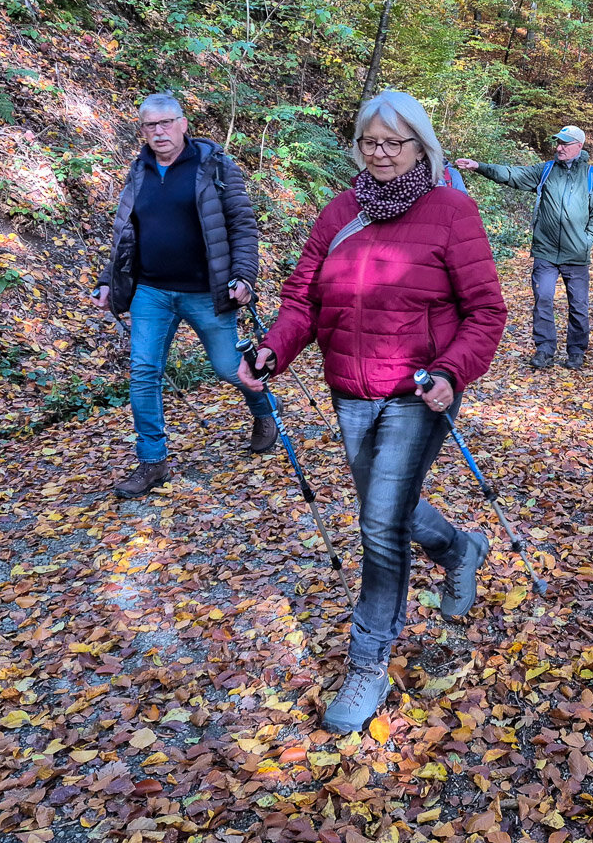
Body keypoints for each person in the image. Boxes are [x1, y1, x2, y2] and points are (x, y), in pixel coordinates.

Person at [240, 91, 507, 734]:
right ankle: (461, 549)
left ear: (421, 145)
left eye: (395, 142)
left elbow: (486, 312)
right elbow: (302, 299)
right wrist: (275, 348)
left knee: (379, 524)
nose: (381, 153)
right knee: (390, 509)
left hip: (419, 390)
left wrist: (451, 371)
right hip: (350, 388)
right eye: (370, 142)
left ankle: (367, 663)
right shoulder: (340, 211)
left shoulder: (451, 211)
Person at [94, 94, 276, 499]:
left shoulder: (215, 166)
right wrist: (108, 279)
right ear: (142, 130)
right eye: (150, 125)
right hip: (151, 291)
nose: (158, 132)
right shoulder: (139, 170)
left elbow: (242, 225)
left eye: (166, 123)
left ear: (183, 123)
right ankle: (152, 461)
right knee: (144, 371)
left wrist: (244, 275)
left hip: (205, 291)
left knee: (229, 368)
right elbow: (126, 233)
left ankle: (264, 411)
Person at [454, 124, 593, 370]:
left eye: (565, 143)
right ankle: (545, 350)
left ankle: (576, 351)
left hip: (577, 254)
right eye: (558, 142)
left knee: (578, 305)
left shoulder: (592, 176)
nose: (559, 148)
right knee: (543, 300)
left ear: (579, 146)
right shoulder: (546, 170)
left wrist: (587, 239)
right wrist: (479, 166)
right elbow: (512, 174)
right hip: (545, 252)